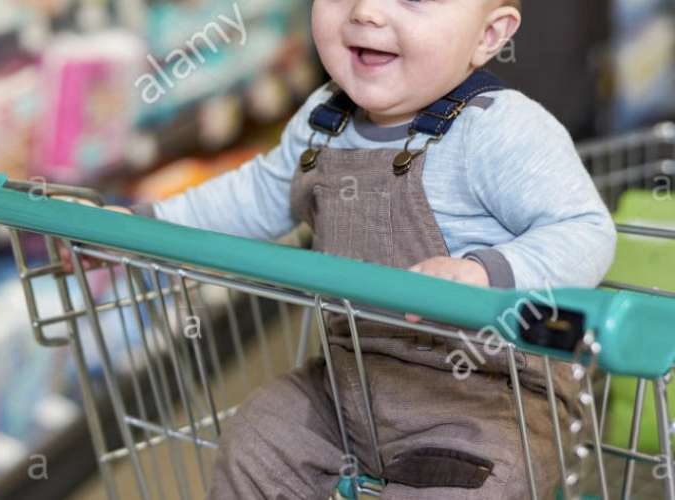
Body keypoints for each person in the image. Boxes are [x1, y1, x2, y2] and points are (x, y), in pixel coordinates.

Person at [108, 0, 616, 497]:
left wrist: (484, 273)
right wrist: (136, 227)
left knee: (476, 483)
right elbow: (254, 196)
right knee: (258, 437)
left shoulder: (499, 129)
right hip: (350, 383)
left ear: (489, 36)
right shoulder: (322, 120)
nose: (366, 11)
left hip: (490, 403)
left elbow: (585, 230)